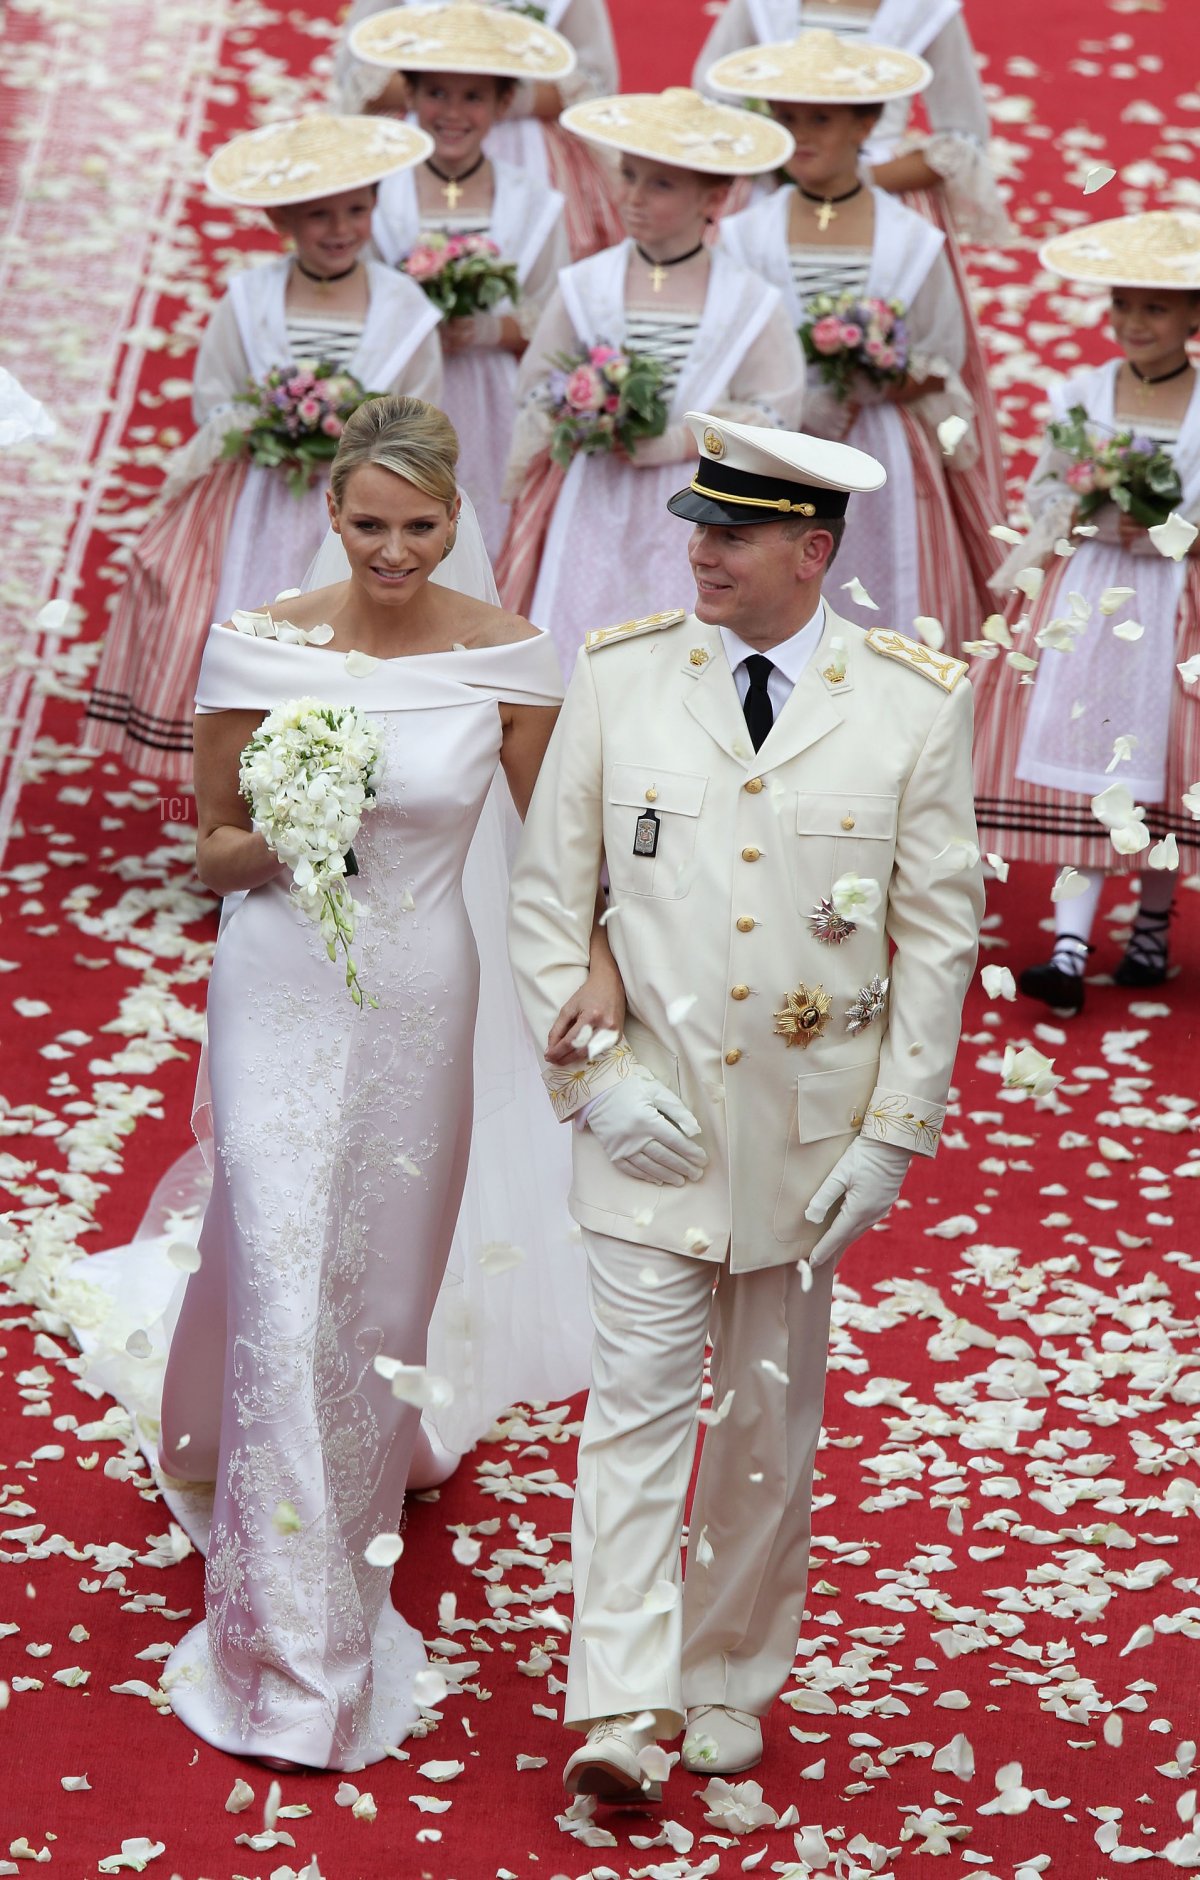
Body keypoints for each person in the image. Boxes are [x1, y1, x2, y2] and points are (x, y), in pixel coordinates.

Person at [507, 411, 983, 1800]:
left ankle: (723, 1676)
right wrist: (593, 1082)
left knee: (767, 1426)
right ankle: (618, 1707)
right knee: (638, 1408)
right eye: (700, 528)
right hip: (647, 1124)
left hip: (804, 1139)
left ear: (811, 551)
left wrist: (893, 1135)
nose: (701, 554)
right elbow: (548, 899)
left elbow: (937, 936)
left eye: (732, 534)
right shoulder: (621, 678)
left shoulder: (908, 704)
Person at [145, 395, 623, 1770]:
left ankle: (371, 1451)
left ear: (456, 516)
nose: (394, 550)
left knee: (376, 1287)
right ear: (333, 513)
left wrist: (599, 967)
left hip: (421, 993)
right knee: (283, 1266)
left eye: (419, 526)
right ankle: (301, 1650)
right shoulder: (260, 646)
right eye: (369, 525)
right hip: (275, 991)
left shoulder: (508, 658)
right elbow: (212, 849)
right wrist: (298, 832)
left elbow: (560, 857)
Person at [85, 114, 443, 782]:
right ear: (283, 219)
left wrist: (357, 443)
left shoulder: (404, 306)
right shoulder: (248, 298)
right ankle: (236, 787)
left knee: (346, 636)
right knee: (245, 626)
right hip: (258, 500)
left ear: (375, 208)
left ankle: (335, 779)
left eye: (355, 210)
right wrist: (274, 421)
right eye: (318, 215)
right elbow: (214, 397)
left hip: (360, 514)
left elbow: (420, 414)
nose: (339, 229)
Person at [694, 0, 1010, 597]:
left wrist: (871, 379)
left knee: (884, 586)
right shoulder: (745, 235)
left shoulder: (909, 241)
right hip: (776, 445)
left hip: (880, 443)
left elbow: (941, 357)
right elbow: (724, 347)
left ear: (867, 122)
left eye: (820, 118)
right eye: (788, 118)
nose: (801, 134)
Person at [972, 211, 1200, 1013]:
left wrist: (1171, 530)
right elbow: (1045, 488)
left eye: (1156, 307)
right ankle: (1069, 948)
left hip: (1175, 601)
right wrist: (1089, 509)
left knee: (1168, 759)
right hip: (1093, 596)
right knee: (1095, 753)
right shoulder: (1084, 394)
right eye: (1123, 305)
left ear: (1193, 315)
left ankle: (1151, 926)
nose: (1135, 322)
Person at [497, 87, 806, 667]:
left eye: (660, 184)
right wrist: (583, 412)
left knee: (677, 644)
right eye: (629, 176)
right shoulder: (585, 284)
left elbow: (774, 411)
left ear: (713, 196)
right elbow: (537, 386)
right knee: (579, 631)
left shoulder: (749, 299)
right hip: (592, 495)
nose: (633, 198)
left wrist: (679, 441)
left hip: (699, 503)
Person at [354, 3, 571, 559]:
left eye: (473, 96)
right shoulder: (375, 195)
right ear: (409, 93)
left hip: (492, 399)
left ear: (504, 102)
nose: (452, 113)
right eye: (436, 93)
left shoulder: (534, 202)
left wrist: (486, 329)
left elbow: (555, 320)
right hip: (395, 395)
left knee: (480, 534)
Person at [331, 0, 623, 261]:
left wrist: (499, 96)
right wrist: (443, 88)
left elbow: (594, 84)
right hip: (418, 137)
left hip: (529, 146)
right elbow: (357, 73)